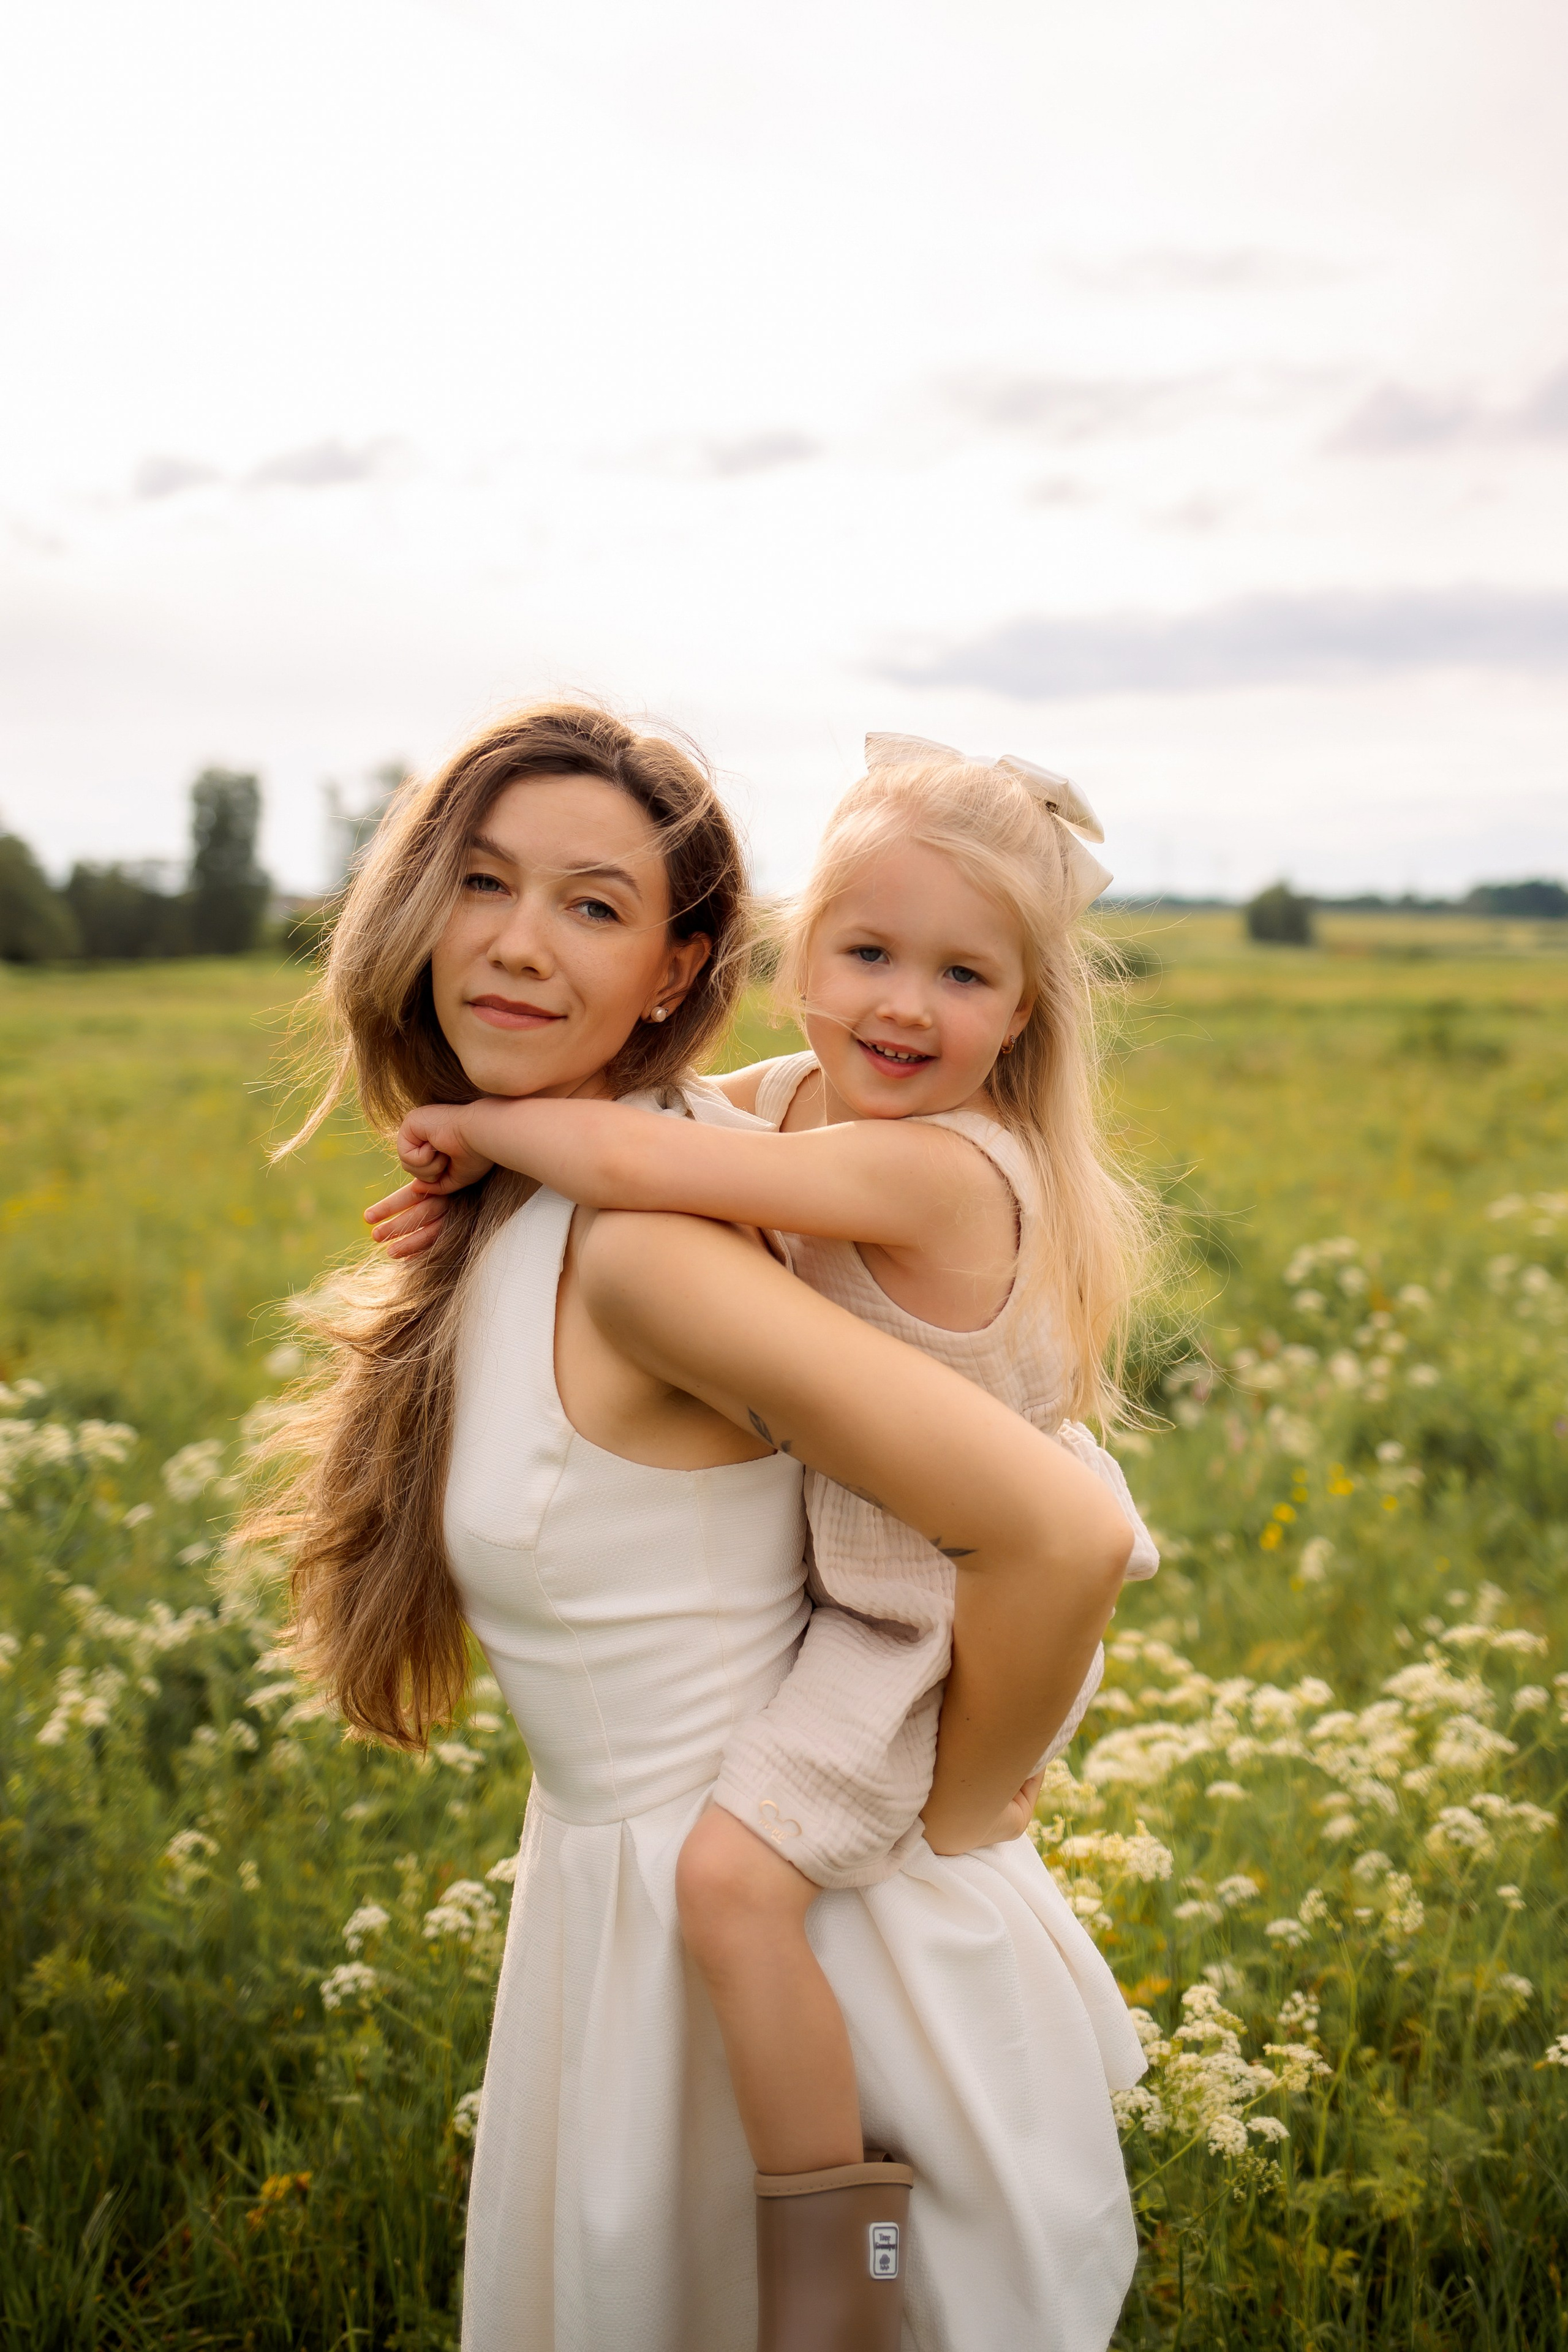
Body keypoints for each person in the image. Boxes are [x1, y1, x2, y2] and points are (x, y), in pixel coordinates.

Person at [255, 704, 1148, 2352]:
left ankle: (841, 2292)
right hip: (637, 1931)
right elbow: (688, 1126)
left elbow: (1060, 1541)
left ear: (678, 965)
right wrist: (476, 1160)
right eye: (483, 881)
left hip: (804, 1894)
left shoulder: (662, 1243)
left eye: (593, 906)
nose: (518, 945)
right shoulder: (691, 1159)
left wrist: (954, 1818)